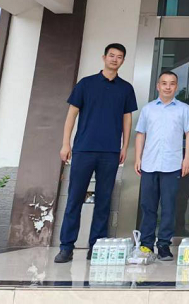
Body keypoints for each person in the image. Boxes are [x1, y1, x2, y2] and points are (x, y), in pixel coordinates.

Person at [55, 43, 137, 263]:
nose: (115, 59)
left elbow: (127, 119)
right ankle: (66, 247)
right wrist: (65, 144)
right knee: (74, 198)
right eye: (111, 55)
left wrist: (124, 146)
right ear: (104, 57)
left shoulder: (125, 88)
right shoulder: (86, 84)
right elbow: (71, 115)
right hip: (83, 149)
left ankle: (97, 246)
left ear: (123, 61)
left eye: (119, 57)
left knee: (103, 200)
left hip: (110, 152)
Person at [134, 71, 189, 261]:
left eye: (172, 83)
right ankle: (146, 244)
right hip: (149, 164)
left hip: (172, 164)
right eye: (164, 83)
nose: (168, 87)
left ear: (176, 87)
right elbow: (141, 134)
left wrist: (187, 159)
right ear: (158, 86)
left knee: (169, 207)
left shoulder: (183, 109)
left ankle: (163, 245)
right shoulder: (148, 109)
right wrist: (138, 158)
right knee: (148, 206)